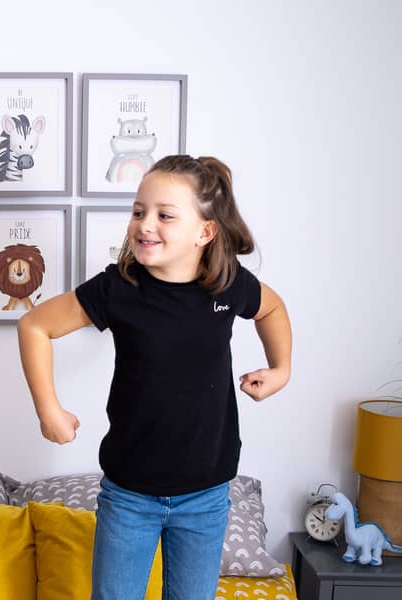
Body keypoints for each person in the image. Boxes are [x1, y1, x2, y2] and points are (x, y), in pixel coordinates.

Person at [17, 155, 292, 600]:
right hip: (129, 497)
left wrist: (281, 370)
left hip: (206, 495)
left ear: (205, 232)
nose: (145, 224)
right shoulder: (118, 288)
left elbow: (272, 308)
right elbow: (34, 325)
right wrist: (49, 410)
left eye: (165, 215)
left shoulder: (228, 286)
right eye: (138, 211)